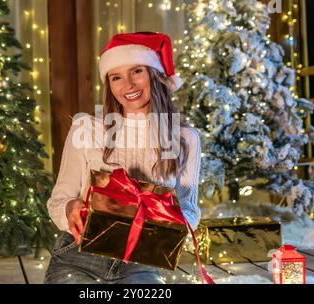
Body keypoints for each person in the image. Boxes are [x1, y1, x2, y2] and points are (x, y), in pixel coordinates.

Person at [44, 32, 202, 284]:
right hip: (79, 256)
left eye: (136, 71)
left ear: (155, 74)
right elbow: (58, 201)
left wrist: (167, 219)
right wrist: (70, 207)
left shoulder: (184, 138)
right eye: (115, 77)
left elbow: (190, 210)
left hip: (140, 262)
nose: (127, 85)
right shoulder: (87, 128)